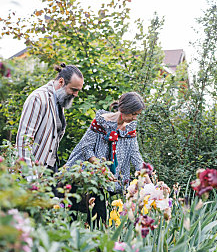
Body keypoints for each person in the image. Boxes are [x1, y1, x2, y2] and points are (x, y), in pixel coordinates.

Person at [66, 91, 151, 225]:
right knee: (78, 216)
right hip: (91, 175)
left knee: (101, 220)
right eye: (134, 114)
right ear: (124, 109)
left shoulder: (130, 128)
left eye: (137, 115)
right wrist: (102, 169)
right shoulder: (101, 122)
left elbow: (136, 155)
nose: (135, 118)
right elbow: (86, 148)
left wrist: (147, 178)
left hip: (111, 178)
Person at [16, 63, 84, 173]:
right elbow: (23, 139)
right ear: (61, 82)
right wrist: (29, 175)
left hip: (49, 168)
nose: (76, 94)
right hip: (33, 170)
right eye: (73, 89)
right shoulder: (38, 98)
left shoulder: (59, 99)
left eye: (78, 91)